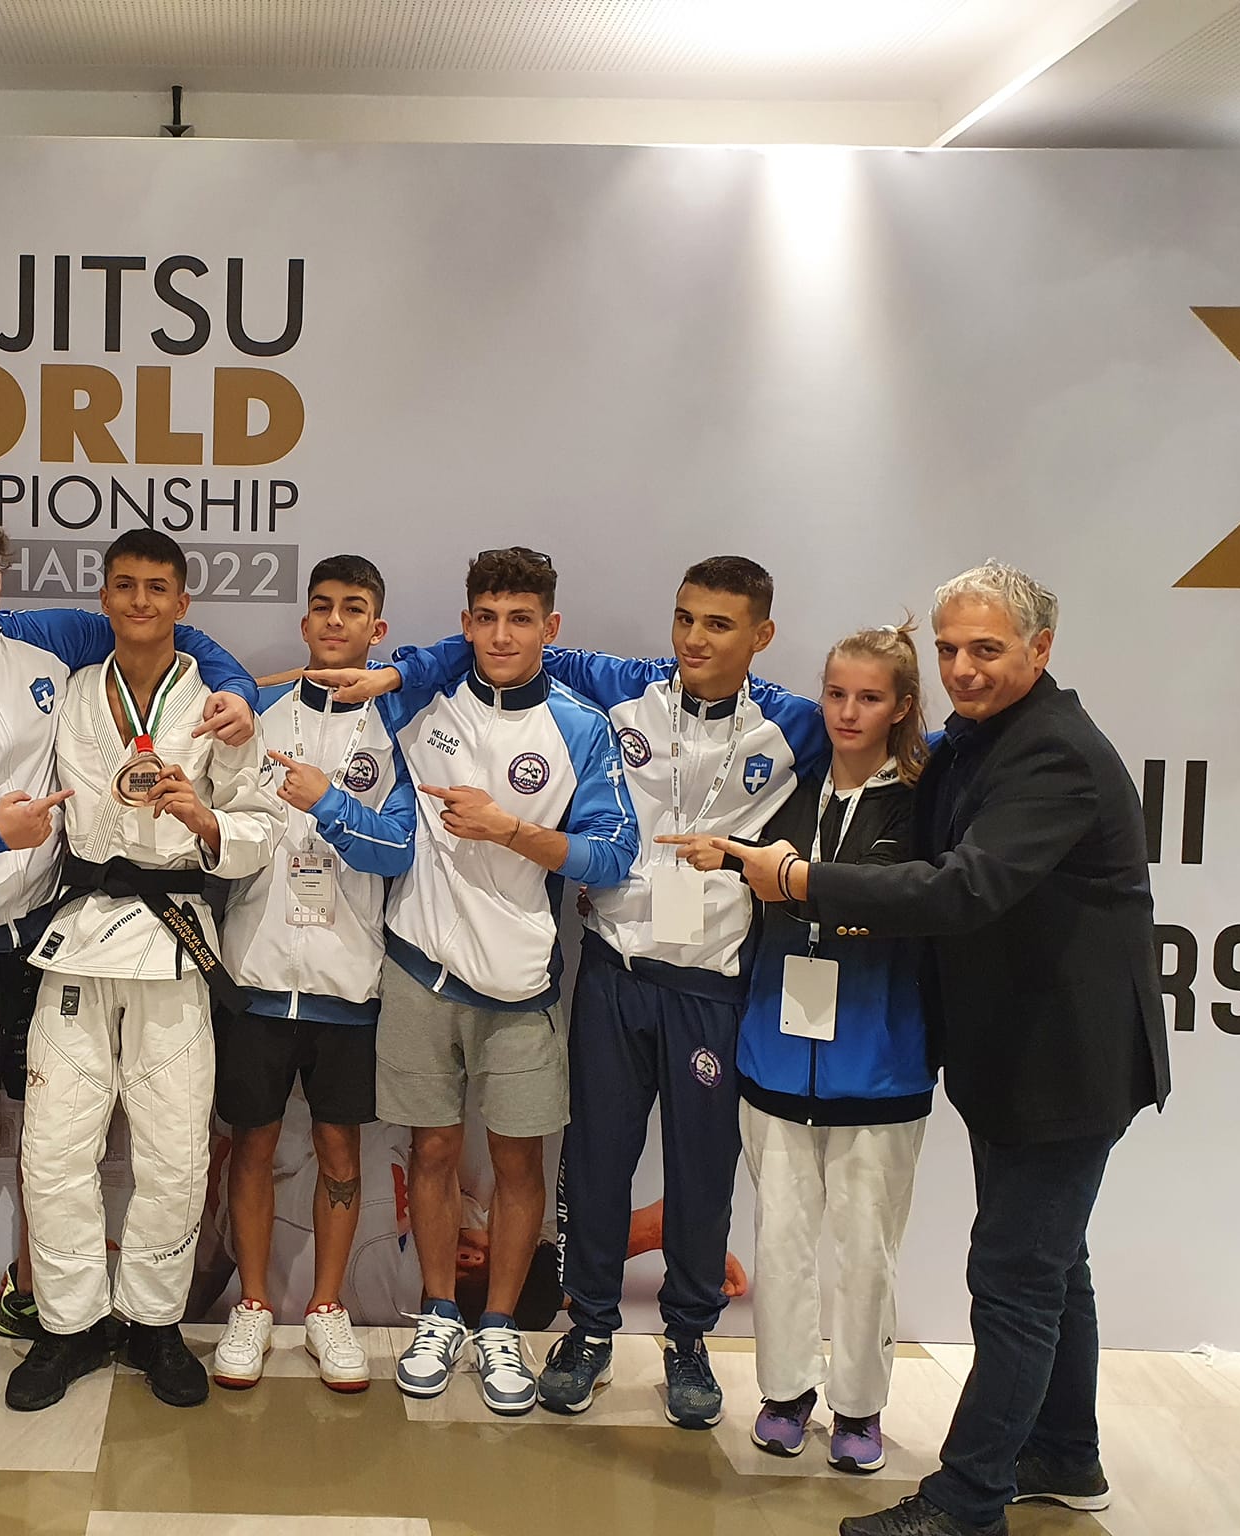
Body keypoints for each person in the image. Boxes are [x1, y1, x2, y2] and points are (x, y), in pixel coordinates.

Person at [712, 562, 1171, 1536]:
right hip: (1015, 1057)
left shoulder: (1051, 754)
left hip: (1064, 1065)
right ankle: (1063, 1453)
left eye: (987, 649)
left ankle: (965, 1504)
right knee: (1055, 1270)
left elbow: (961, 888)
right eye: (952, 649)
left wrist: (801, 881)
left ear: (1041, 648)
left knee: (1013, 1283)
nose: (964, 668)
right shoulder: (976, 740)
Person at [356, 554, 823, 1426]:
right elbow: (487, 649)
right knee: (597, 1160)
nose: (693, 639)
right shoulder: (625, 688)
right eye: (684, 618)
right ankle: (591, 1328)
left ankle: (689, 1341)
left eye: (718, 625)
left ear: (761, 635)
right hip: (614, 966)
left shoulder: (797, 722)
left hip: (713, 983)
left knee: (701, 1171)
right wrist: (395, 673)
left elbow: (880, 740)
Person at [0, 505, 256, 1402]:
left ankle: (104, 1315)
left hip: (52, 930)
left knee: (113, 1142)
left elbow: (172, 637)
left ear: (1, 586)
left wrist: (235, 699)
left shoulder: (44, 646)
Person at [319, 545, 638, 1416]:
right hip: (417, 967)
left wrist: (510, 831)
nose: (501, 636)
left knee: (516, 1160)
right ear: (465, 624)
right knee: (429, 1151)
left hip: (522, 986)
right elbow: (408, 670)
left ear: (551, 627)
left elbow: (613, 854)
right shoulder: (420, 698)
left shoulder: (579, 725)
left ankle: (500, 1324)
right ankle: (438, 1314)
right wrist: (410, 668)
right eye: (486, 619)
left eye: (520, 619)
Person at [6, 528, 280, 1413]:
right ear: (105, 598)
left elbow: (260, 826)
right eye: (124, 586)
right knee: (54, 1148)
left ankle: (156, 1324)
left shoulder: (219, 707)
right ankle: (71, 1326)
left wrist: (207, 821)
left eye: (157, 588)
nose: (140, 602)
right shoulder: (68, 693)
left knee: (174, 1154)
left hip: (174, 938)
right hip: (81, 933)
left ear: (182, 603)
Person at [661, 622, 936, 1475]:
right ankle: (785, 1393)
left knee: (865, 1251)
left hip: (880, 1067)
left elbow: (905, 904)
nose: (848, 712)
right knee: (780, 1238)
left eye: (870, 698)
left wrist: (789, 880)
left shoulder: (925, 804)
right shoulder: (789, 789)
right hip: (775, 1056)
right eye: (837, 694)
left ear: (902, 707)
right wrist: (726, 861)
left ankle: (859, 1408)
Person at [209, 554, 415, 1394]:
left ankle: (329, 1309)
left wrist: (329, 800)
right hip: (256, 975)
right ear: (304, 623)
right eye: (322, 607)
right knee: (252, 1144)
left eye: (353, 608)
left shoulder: (398, 727)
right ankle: (254, 1304)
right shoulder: (257, 713)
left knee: (338, 1148)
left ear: (377, 629)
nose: (335, 621)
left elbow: (398, 849)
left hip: (346, 983)